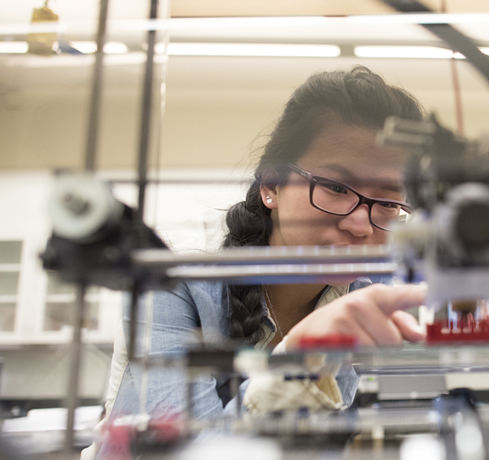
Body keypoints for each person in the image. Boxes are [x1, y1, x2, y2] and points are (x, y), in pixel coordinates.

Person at [90, 66, 428, 457]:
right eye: (335, 187)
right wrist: (297, 356)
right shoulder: (174, 285)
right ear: (271, 186)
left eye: (388, 203)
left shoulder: (363, 300)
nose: (359, 225)